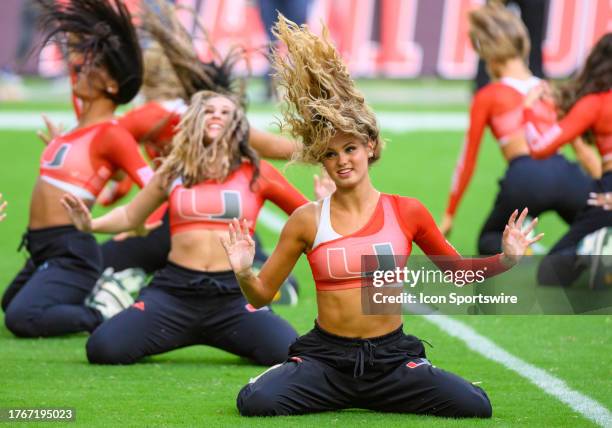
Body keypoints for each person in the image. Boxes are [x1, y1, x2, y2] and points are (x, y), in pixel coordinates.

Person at [220, 15, 542, 417]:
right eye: (331, 154)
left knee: (475, 405)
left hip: (390, 358)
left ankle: (390, 384)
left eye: (351, 149)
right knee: (255, 402)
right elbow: (262, 294)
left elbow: (458, 272)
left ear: (370, 146)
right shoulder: (306, 220)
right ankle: (318, 382)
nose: (342, 161)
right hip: (325, 359)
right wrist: (244, 272)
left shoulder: (406, 211)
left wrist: (507, 260)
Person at [62, 89, 331, 365]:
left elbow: (308, 219)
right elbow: (131, 215)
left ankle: (248, 324)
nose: (216, 116)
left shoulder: (258, 173)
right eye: (209, 111)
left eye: (225, 112)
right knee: (103, 348)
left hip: (234, 295)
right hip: (173, 293)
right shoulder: (173, 170)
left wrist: (325, 203)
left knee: (286, 350)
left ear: (238, 124)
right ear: (194, 120)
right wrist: (90, 224)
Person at [97, 3, 305, 305]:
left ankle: (130, 280)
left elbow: (109, 151)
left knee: (106, 258)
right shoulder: (221, 120)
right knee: (240, 232)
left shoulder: (149, 115)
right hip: (227, 216)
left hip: (171, 217)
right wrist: (330, 147)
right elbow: (281, 148)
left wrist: (120, 187)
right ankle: (267, 272)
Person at [2, 0, 153, 337]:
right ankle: (98, 290)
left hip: (72, 251)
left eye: (93, 67)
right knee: (10, 303)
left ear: (112, 86)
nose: (82, 69)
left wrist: (139, 222)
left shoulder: (113, 133)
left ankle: (104, 310)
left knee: (22, 318)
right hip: (41, 247)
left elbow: (153, 184)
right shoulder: (77, 130)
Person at [440, 2, 597, 256]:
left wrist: (449, 214)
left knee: (490, 238)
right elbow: (583, 152)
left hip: (524, 178)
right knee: (589, 227)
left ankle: (522, 251)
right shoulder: (549, 90)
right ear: (523, 45)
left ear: (489, 58)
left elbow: (467, 161)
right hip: (565, 172)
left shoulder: (488, 95)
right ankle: (587, 247)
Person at [523, 32, 612, 287]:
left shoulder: (594, 104)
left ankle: (597, 248)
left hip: (607, 195)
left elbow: (539, 148)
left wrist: (529, 109)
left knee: (549, 273)